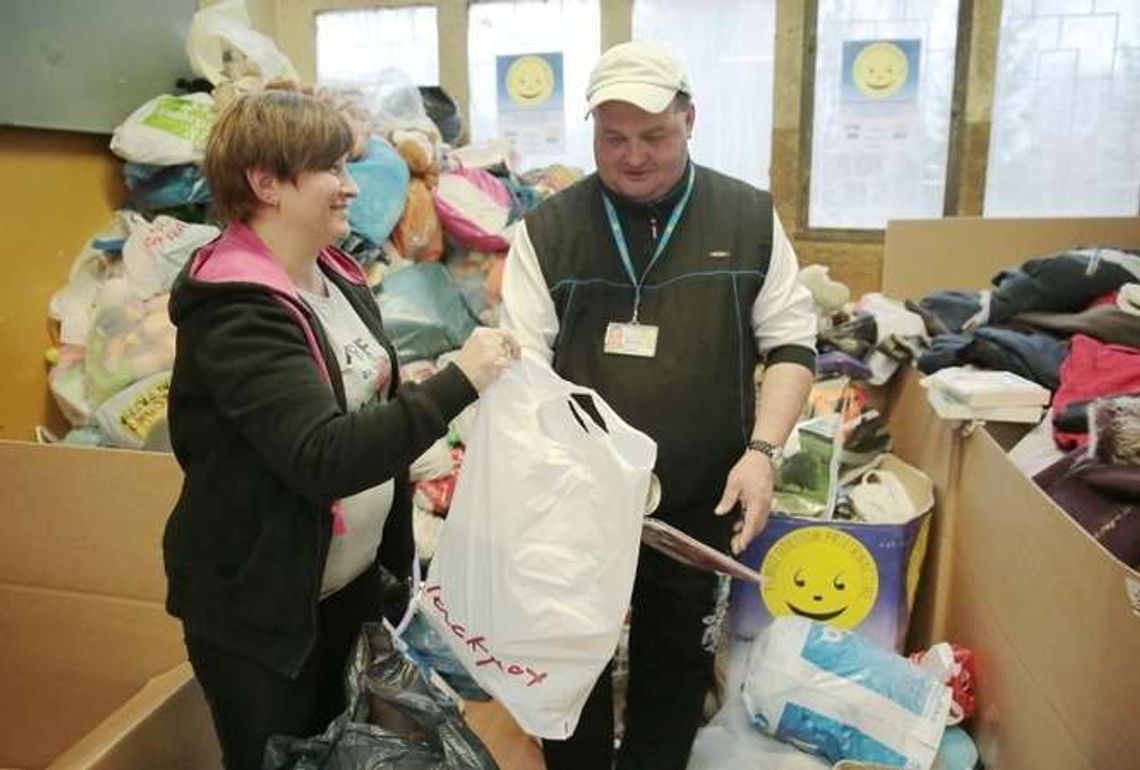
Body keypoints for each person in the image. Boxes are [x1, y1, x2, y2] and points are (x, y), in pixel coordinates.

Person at [162, 90, 519, 770]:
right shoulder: (236, 310)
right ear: (266, 183)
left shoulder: (335, 275)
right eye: (331, 168)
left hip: (347, 586)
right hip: (264, 608)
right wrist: (459, 383)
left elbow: (367, 400)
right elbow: (320, 455)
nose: (352, 186)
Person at [500, 41, 817, 770]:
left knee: (675, 667)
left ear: (690, 120)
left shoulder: (747, 217)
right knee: (568, 666)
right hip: (576, 496)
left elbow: (792, 345)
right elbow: (523, 369)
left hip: (700, 495)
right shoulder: (548, 230)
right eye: (613, 137)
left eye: (654, 135)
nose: (633, 156)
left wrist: (762, 454)